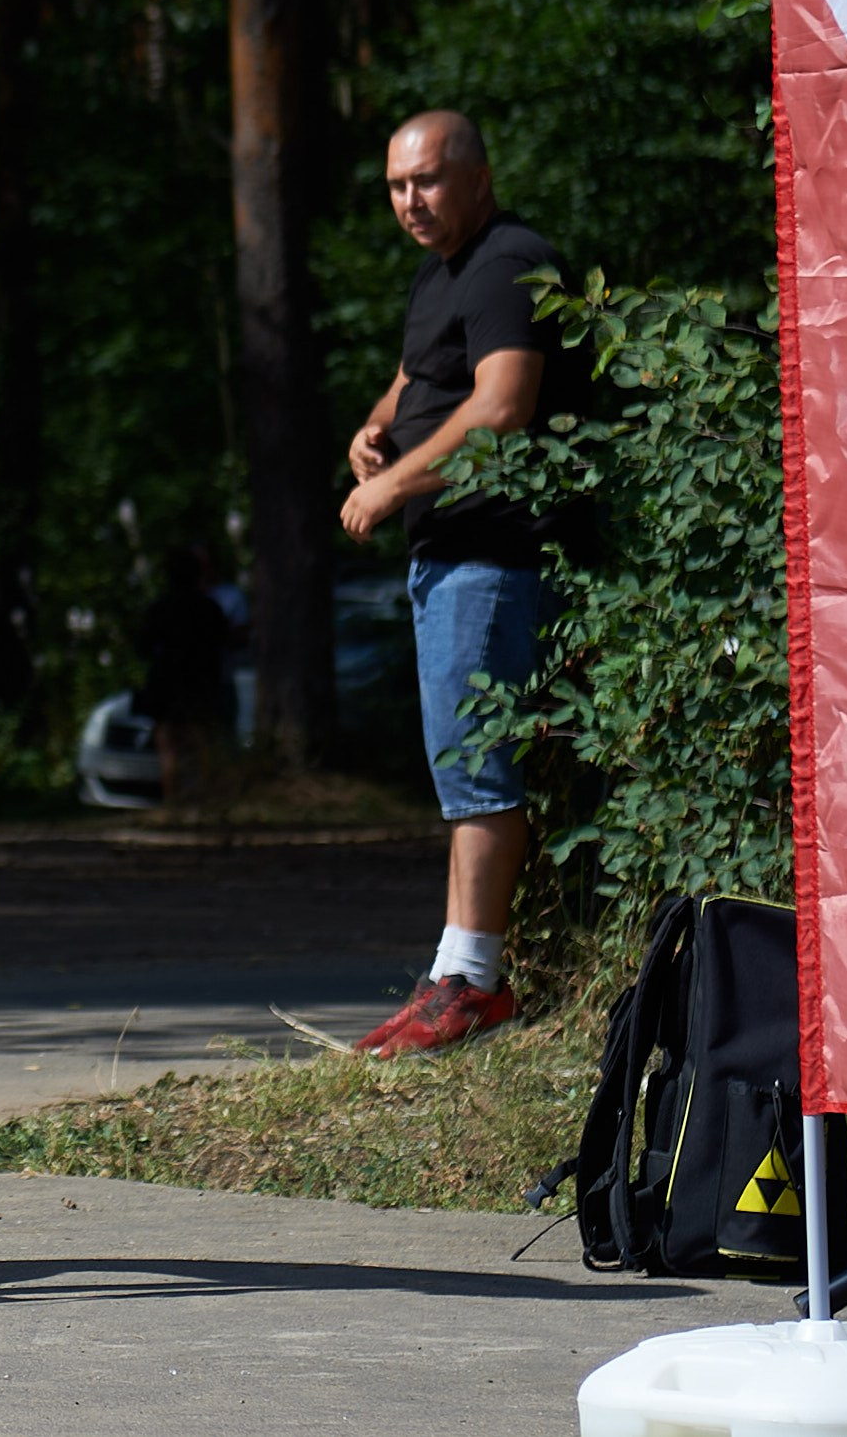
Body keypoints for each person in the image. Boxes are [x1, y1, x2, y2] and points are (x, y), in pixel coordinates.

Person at [340, 110, 582, 1058]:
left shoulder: (508, 262)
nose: (412, 201)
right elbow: (416, 382)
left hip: (493, 554)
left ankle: (476, 983)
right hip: (447, 556)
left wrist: (393, 484)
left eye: (429, 180)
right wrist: (374, 430)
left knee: (479, 772)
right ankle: (451, 974)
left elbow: (502, 405)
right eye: (398, 187)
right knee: (459, 768)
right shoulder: (442, 272)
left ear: (479, 178)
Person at [135, 545, 232, 806]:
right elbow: (226, 642)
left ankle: (173, 804)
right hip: (200, 687)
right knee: (203, 749)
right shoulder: (209, 608)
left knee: (170, 751)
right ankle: (204, 804)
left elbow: (142, 647)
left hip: (169, 688)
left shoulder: (160, 609)